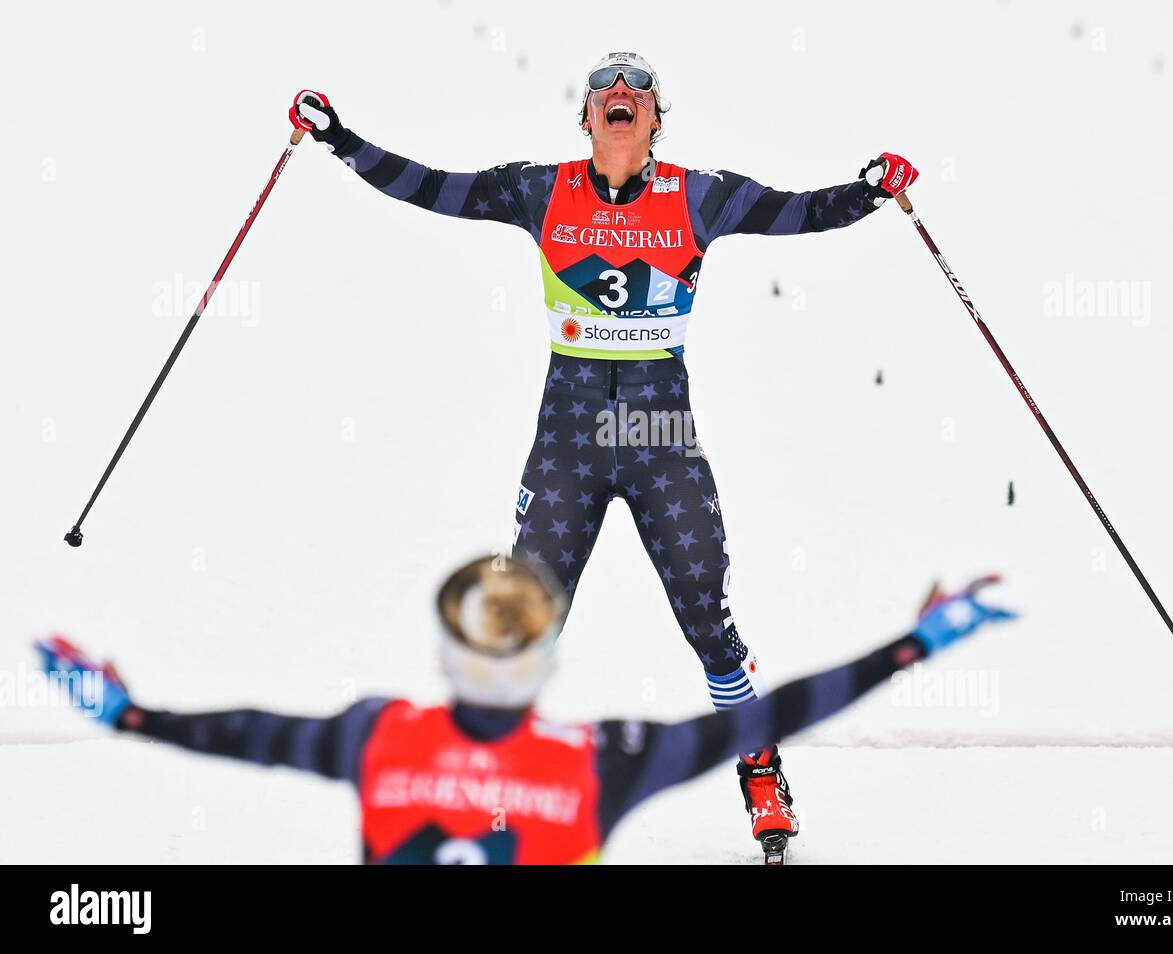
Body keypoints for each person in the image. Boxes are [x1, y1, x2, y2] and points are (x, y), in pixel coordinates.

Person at [286, 51, 921, 851]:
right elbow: (432, 187)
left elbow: (799, 212)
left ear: (656, 117)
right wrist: (341, 138)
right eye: (604, 89)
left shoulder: (701, 195)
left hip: (661, 440)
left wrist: (871, 190)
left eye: (638, 89)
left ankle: (760, 775)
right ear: (585, 116)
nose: (620, 95)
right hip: (570, 441)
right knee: (522, 629)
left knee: (707, 620)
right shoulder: (539, 189)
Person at [38, 557, 1013, 865]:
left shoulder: (376, 738)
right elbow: (765, 718)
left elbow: (246, 735)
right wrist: (913, 645)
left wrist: (127, 716)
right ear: (545, 661)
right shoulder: (601, 763)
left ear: (445, 657)